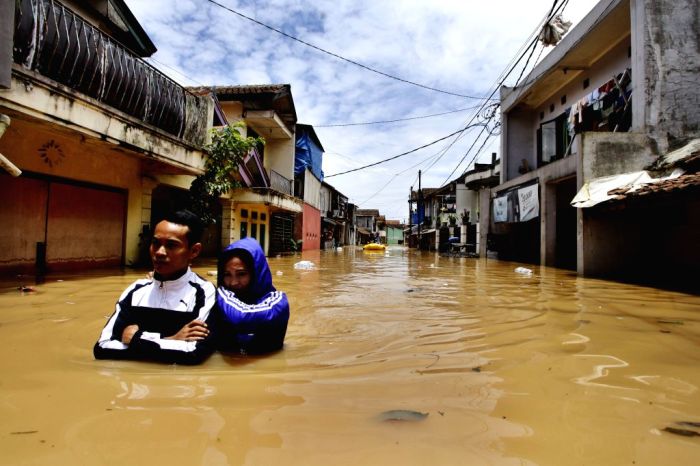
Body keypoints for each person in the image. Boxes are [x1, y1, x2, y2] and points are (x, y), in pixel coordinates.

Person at [93, 210, 216, 365]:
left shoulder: (204, 293)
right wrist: (170, 340)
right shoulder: (136, 291)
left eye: (171, 245)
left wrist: (137, 338)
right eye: (156, 243)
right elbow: (103, 348)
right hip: (131, 386)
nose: (159, 252)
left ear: (194, 251)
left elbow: (194, 353)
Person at [215, 237, 289, 354]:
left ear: (256, 272)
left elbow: (242, 317)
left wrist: (219, 291)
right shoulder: (218, 301)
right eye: (227, 275)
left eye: (241, 274)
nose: (233, 282)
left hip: (265, 370)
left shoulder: (278, 301)